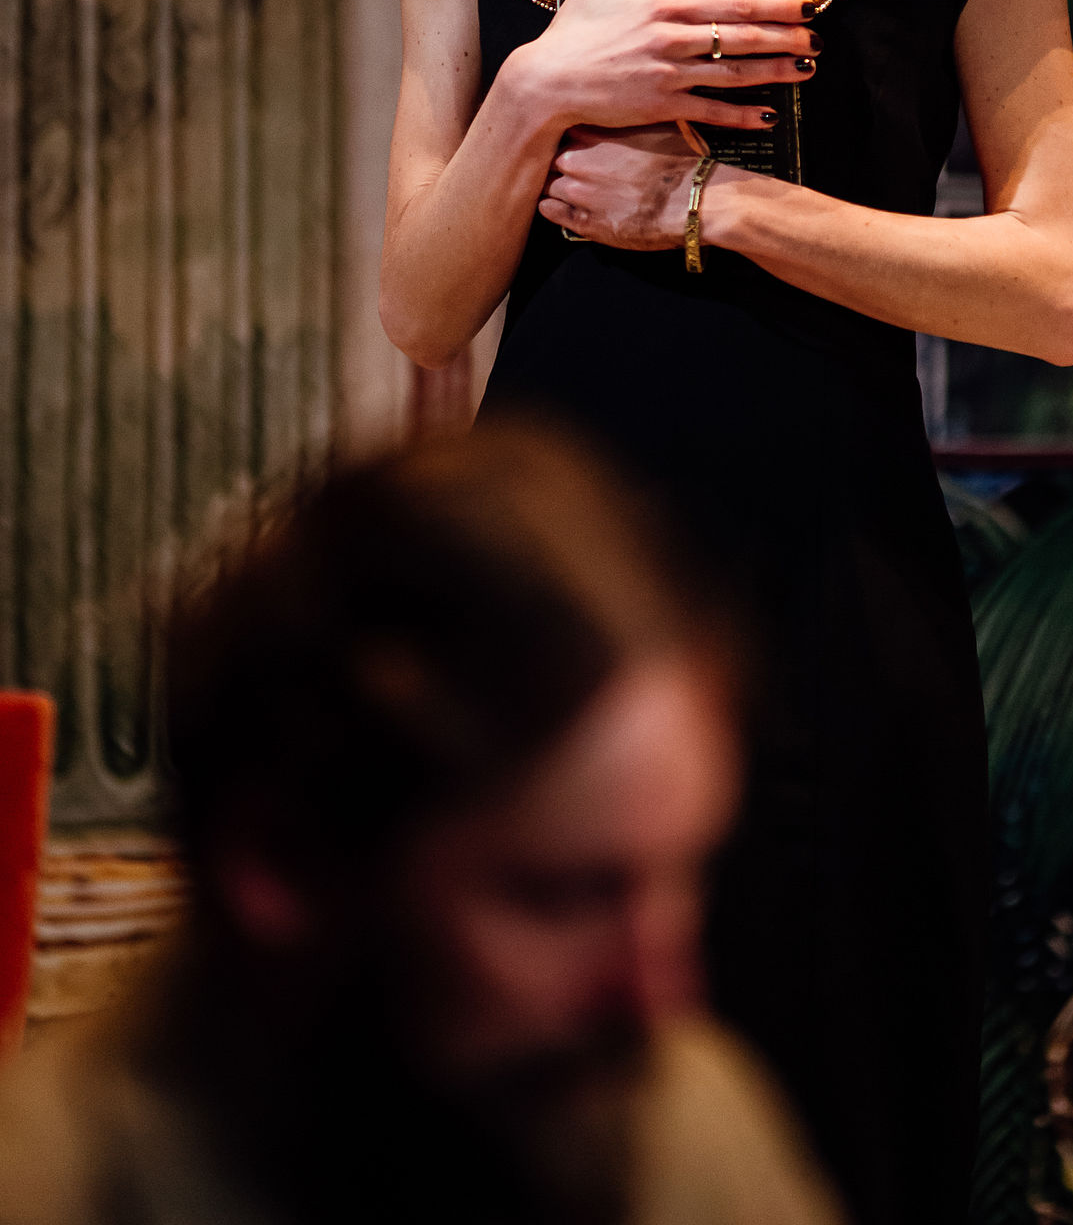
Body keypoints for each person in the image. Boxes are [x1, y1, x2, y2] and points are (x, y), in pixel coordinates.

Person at [351, 0, 1073, 1225]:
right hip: (549, 612)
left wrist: (718, 207)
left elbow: (1061, 286)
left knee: (838, 1128)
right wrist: (542, 95)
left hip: (836, 605)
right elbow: (421, 303)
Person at [0, 423, 844, 1225]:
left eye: (687, 878)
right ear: (283, 863)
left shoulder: (675, 1120)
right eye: (559, 899)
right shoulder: (48, 1188)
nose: (660, 995)